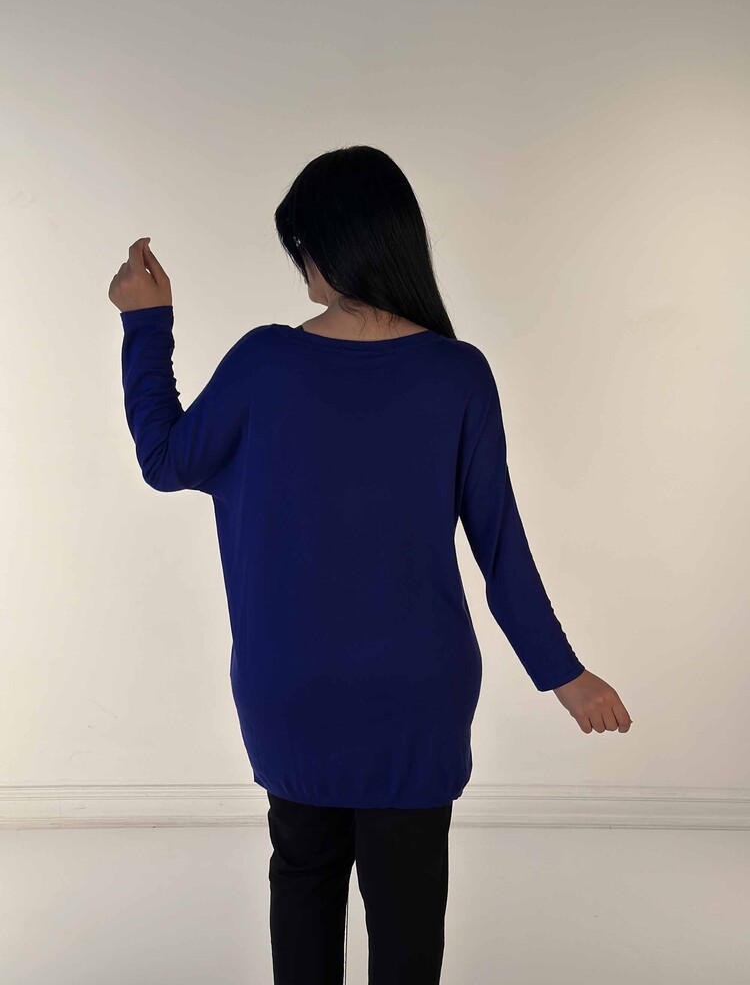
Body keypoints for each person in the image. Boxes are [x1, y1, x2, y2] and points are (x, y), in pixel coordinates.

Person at [111, 144, 633, 985]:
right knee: (408, 916)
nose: (301, 266)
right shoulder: (457, 374)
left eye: (302, 246)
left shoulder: (265, 362)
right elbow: (499, 545)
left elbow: (165, 459)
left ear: (333, 246)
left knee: (303, 885)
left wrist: (146, 323)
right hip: (416, 696)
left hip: (292, 689)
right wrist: (564, 676)